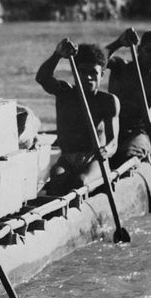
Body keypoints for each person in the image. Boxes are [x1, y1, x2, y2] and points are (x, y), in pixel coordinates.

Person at [35, 38, 120, 196]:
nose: (88, 77)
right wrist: (57, 54)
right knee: (58, 180)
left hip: (95, 160)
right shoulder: (64, 92)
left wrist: (106, 150)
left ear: (102, 75)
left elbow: (113, 142)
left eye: (93, 73)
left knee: (80, 182)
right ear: (75, 73)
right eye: (83, 72)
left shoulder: (108, 101)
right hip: (67, 159)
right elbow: (42, 78)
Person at [105, 27, 151, 167]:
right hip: (111, 126)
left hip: (138, 131)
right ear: (138, 49)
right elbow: (97, 60)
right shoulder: (119, 67)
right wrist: (118, 43)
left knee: (125, 156)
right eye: (149, 51)